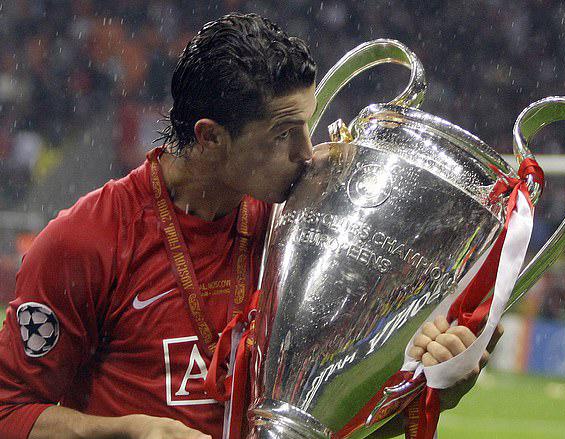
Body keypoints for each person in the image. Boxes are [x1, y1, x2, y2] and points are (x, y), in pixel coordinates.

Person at [0, 13, 498, 439]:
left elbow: (325, 427)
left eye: (306, 125)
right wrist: (129, 431)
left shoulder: (302, 230)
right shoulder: (86, 241)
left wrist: (432, 387)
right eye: (284, 133)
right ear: (210, 137)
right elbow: (8, 412)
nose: (307, 152)